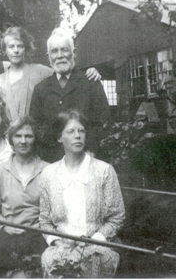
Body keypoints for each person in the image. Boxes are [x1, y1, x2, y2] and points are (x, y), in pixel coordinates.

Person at [39, 110, 125, 278]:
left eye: (81, 131)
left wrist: (94, 240)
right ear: (59, 138)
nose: (77, 136)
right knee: (52, 261)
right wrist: (58, 242)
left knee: (92, 262)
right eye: (70, 132)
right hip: (61, 246)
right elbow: (44, 220)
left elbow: (116, 217)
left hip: (98, 245)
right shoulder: (48, 174)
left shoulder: (104, 171)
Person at [30, 27, 110, 162]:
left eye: (65, 50)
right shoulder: (40, 89)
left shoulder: (91, 83)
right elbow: (35, 126)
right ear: (48, 56)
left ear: (74, 53)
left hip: (86, 158)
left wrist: (91, 151)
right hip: (50, 161)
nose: (60, 55)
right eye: (54, 51)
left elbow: (103, 122)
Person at [0, 26, 101, 124]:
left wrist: (89, 71)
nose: (16, 50)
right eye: (11, 46)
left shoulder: (41, 71)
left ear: (26, 48)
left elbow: (64, 72)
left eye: (20, 46)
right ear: (4, 50)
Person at [0, 116, 49, 277]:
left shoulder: (48, 171)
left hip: (36, 234)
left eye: (28, 136)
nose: (23, 141)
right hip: (7, 234)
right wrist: (5, 225)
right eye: (18, 136)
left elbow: (53, 211)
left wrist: (39, 227)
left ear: (35, 139)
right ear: (11, 139)